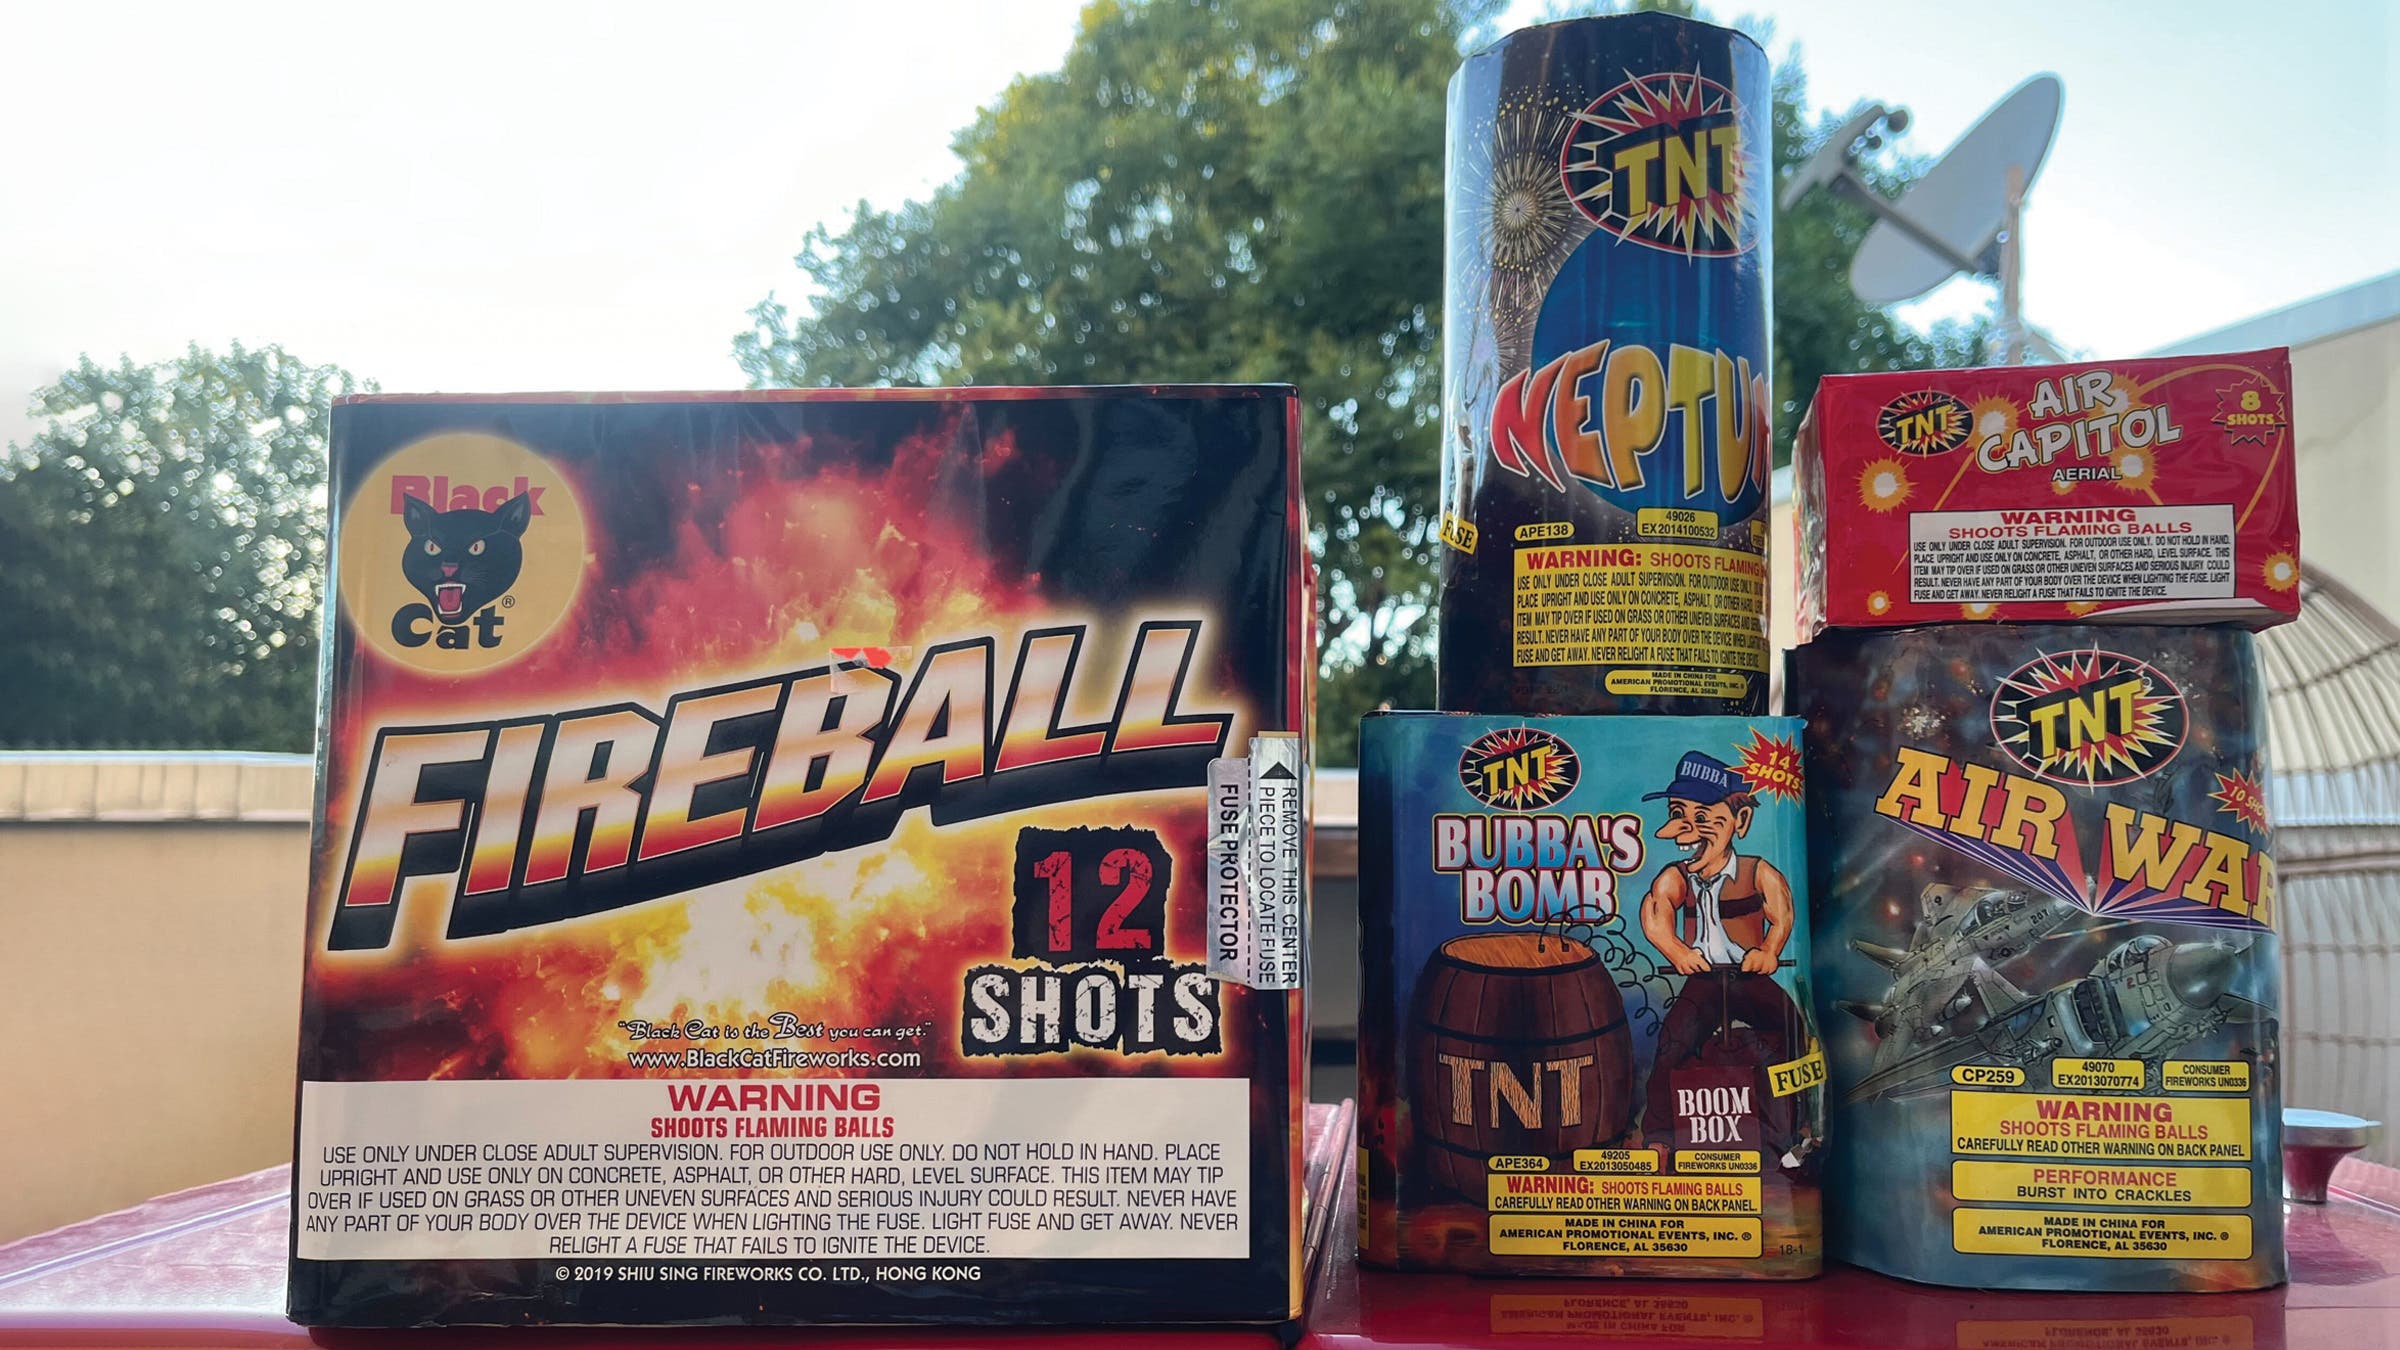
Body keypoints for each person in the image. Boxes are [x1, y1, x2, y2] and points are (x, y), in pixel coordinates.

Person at [1636, 752, 1809, 1166]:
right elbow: (1655, 912)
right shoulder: (1677, 876)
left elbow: (1781, 912)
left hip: (1749, 979)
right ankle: (1661, 1138)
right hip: (1705, 981)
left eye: (1702, 815)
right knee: (1673, 1043)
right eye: (1679, 812)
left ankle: (1796, 1130)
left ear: (1740, 821)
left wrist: (1768, 951)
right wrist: (1678, 952)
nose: (1684, 829)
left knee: (1792, 1033)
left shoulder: (1758, 870)